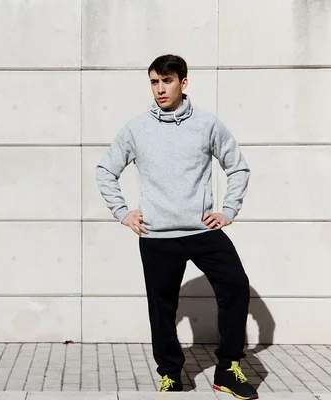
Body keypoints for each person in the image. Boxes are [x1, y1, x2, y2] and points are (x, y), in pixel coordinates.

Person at [95, 54, 258, 400]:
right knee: (162, 306)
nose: (159, 89)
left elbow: (238, 168)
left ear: (183, 83)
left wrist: (228, 210)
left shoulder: (207, 124)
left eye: (166, 81)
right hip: (158, 236)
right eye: (154, 82)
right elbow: (105, 170)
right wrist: (122, 212)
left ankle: (228, 368)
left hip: (202, 232)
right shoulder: (136, 128)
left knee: (236, 286)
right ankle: (170, 373)